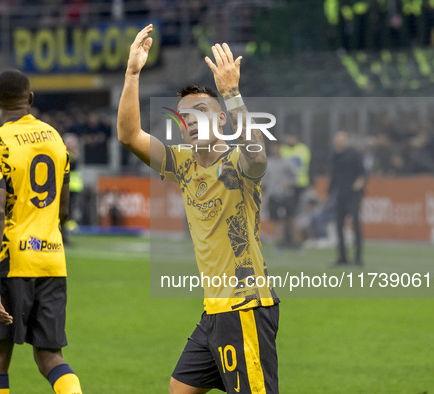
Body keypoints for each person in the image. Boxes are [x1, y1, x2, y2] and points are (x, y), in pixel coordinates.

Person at [118, 25, 279, 394]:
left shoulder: (239, 164)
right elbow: (129, 135)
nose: (190, 120)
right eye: (184, 115)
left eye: (201, 111)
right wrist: (132, 74)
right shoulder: (182, 163)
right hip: (214, 312)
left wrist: (232, 93)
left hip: (245, 310)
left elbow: (258, 156)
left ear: (221, 119)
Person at [0, 70, 82, 394]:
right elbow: (63, 211)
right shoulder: (55, 139)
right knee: (50, 356)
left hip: (12, 263)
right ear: (30, 99)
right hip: (52, 261)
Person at [328, 131, 366, 267]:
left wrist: (360, 182)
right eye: (337, 140)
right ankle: (342, 257)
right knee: (339, 227)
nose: (339, 142)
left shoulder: (355, 155)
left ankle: (358, 258)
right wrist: (329, 193)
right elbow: (334, 176)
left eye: (342, 140)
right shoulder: (334, 156)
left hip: (353, 195)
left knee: (356, 225)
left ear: (347, 141)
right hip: (340, 195)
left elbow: (363, 172)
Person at [279, 132, 311, 250]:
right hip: (286, 186)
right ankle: (286, 241)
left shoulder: (302, 149)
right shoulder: (283, 149)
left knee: (296, 215)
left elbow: (302, 166)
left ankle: (296, 241)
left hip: (300, 185)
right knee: (285, 215)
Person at [263, 143, 296, 251]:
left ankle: (295, 243)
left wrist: (286, 185)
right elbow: (265, 181)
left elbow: (294, 178)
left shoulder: (287, 162)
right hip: (273, 195)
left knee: (291, 219)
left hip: (287, 195)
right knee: (276, 220)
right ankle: (280, 244)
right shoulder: (268, 162)